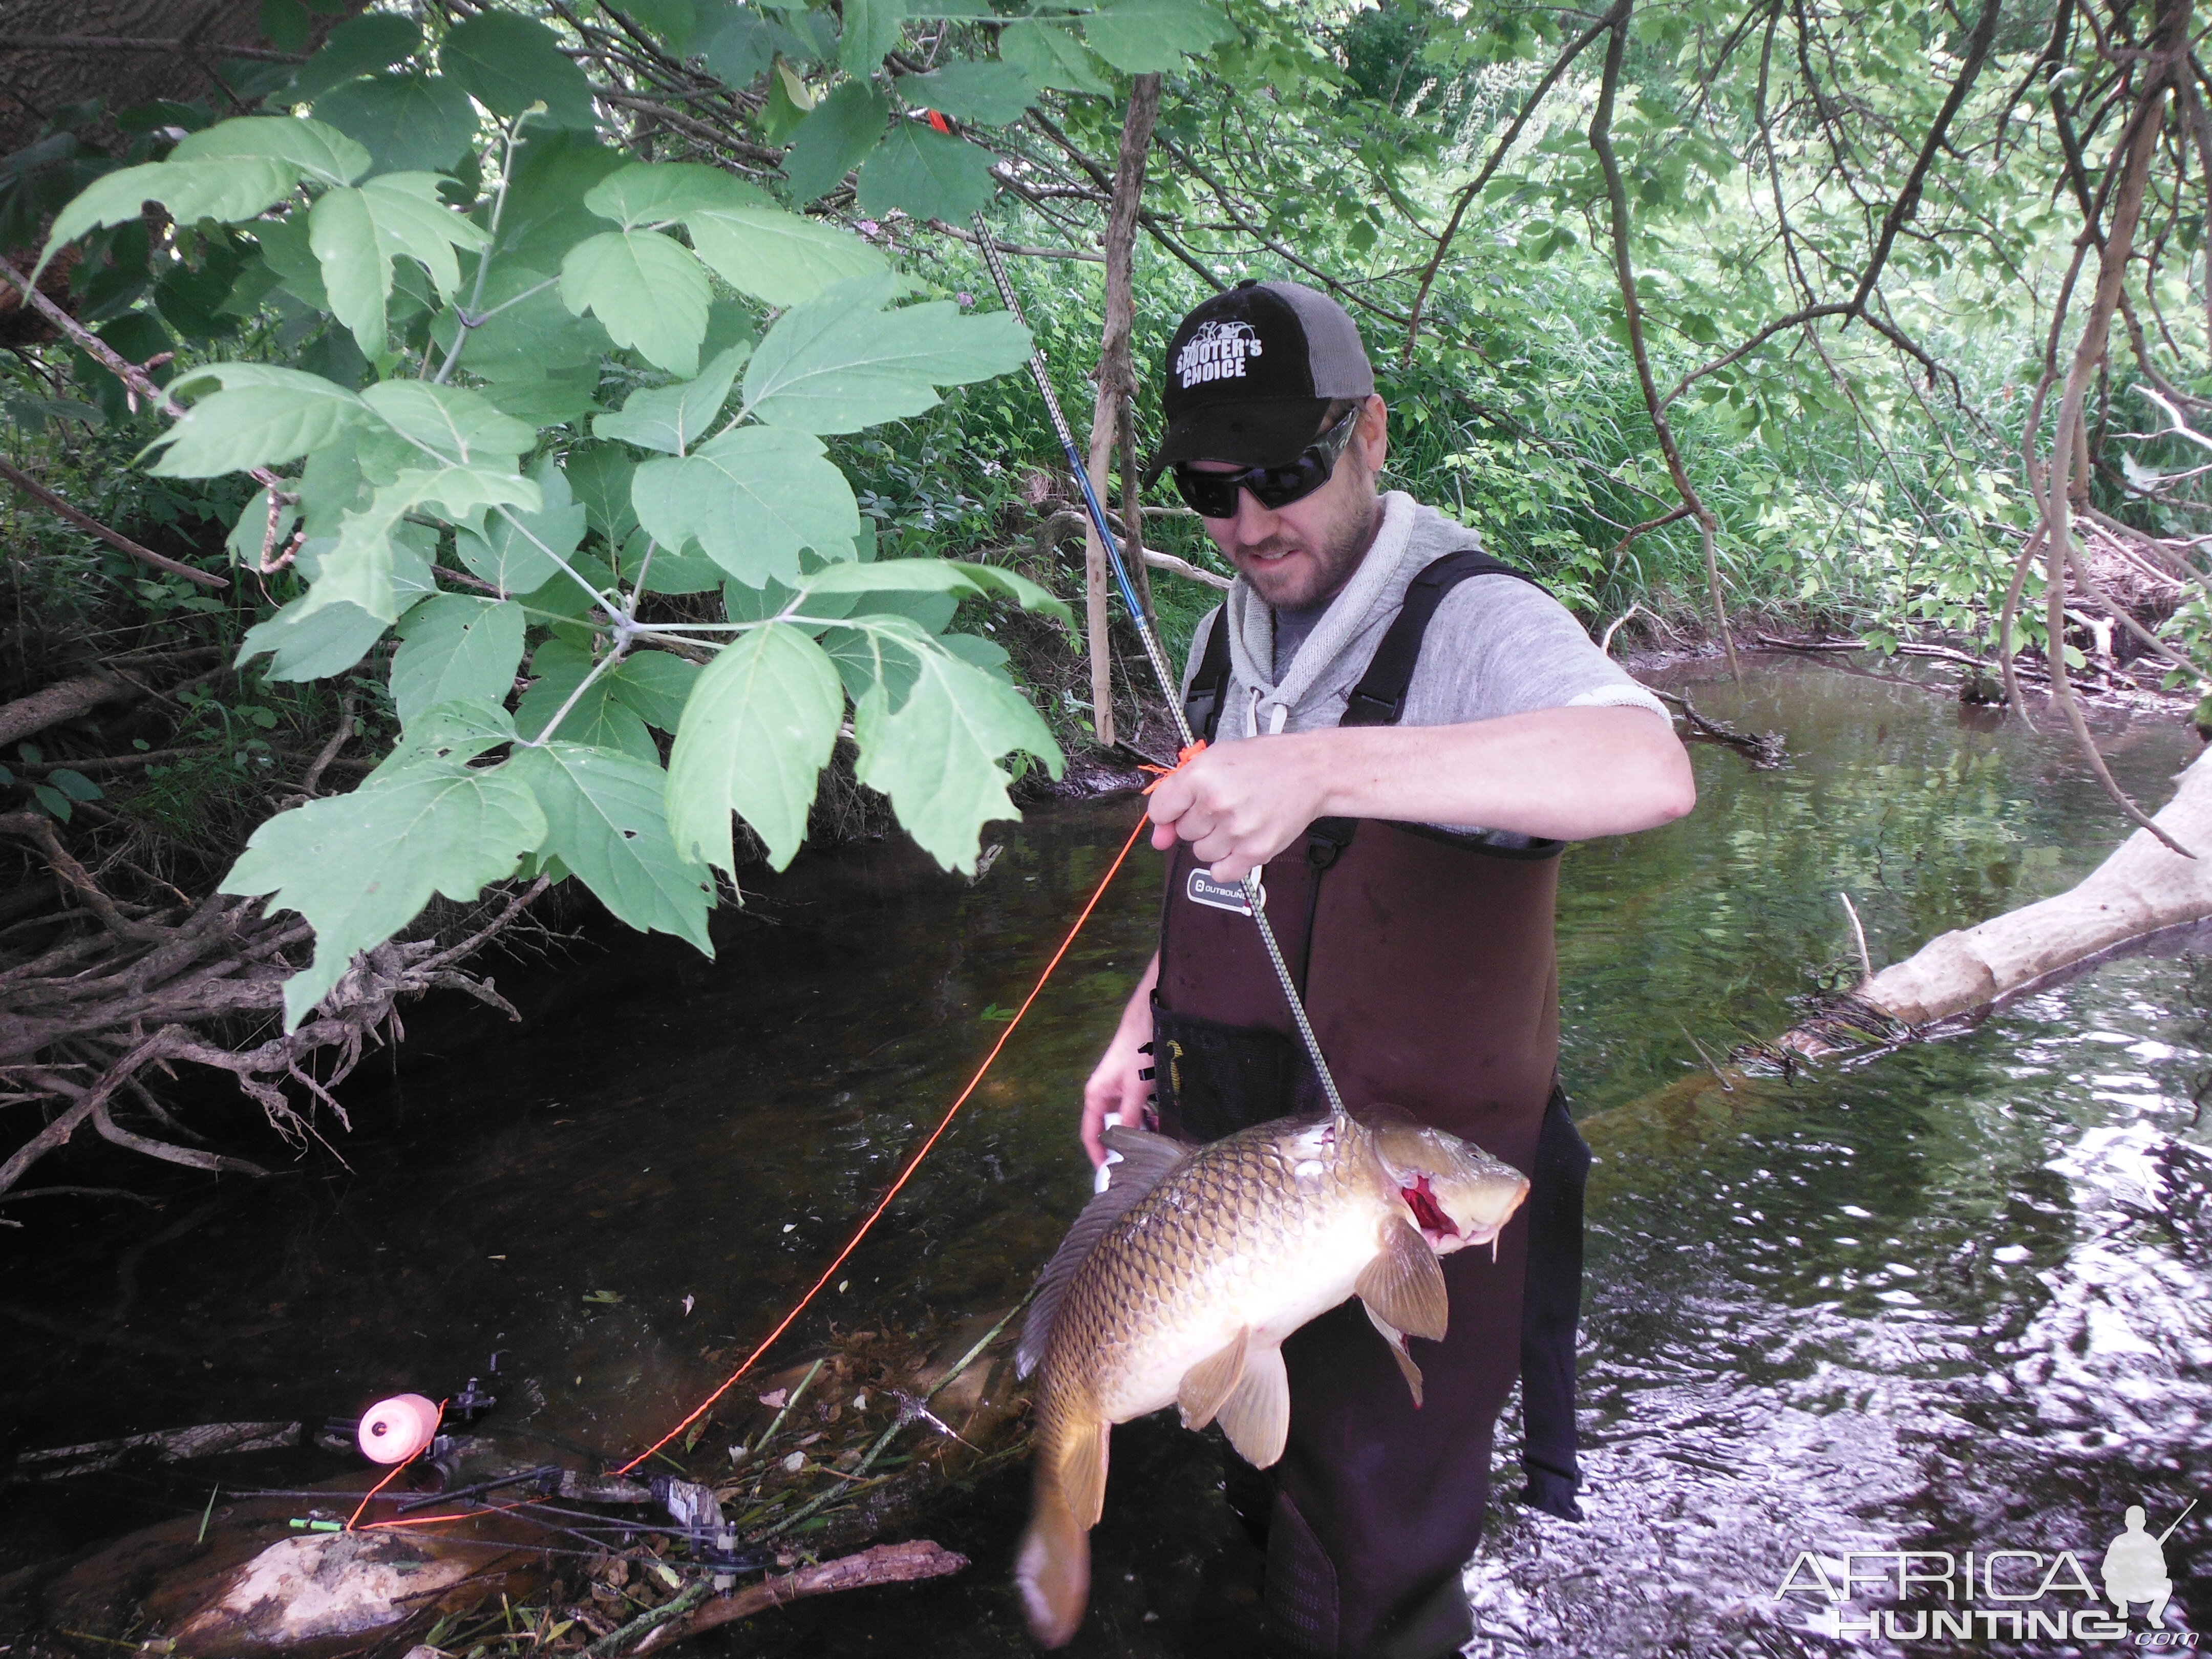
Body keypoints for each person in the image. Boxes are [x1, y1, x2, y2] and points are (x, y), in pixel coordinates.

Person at [1078, 280, 1696, 1658]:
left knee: (1373, 1560)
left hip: (1416, 1195)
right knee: (1255, 1490)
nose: (1247, 525)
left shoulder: (1474, 623)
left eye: (1284, 474)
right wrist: (1137, 1030)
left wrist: (1324, 762)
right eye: (1208, 488)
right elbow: (1212, 883)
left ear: (1370, 435)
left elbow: (1648, 770)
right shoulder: (1220, 635)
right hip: (1240, 1184)